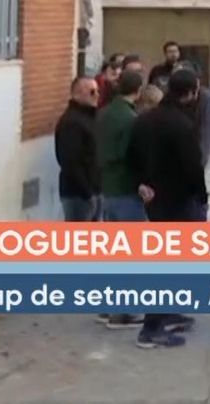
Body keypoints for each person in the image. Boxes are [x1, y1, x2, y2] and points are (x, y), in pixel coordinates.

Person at [129, 68, 209, 349]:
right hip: (179, 201)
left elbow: (132, 157)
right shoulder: (182, 125)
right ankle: (151, 328)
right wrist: (201, 197)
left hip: (154, 200)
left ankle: (167, 313)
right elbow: (192, 168)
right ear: (191, 93)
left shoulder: (144, 120)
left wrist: (140, 183)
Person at [94, 67, 145, 330]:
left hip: (107, 187)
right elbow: (131, 156)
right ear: (138, 91)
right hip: (126, 189)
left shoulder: (103, 114)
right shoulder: (130, 119)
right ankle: (125, 312)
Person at [54, 76, 101, 222]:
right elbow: (70, 161)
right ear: (77, 94)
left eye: (98, 91)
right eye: (92, 92)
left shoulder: (89, 118)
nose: (97, 95)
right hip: (79, 194)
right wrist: (87, 193)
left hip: (93, 190)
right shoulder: (72, 123)